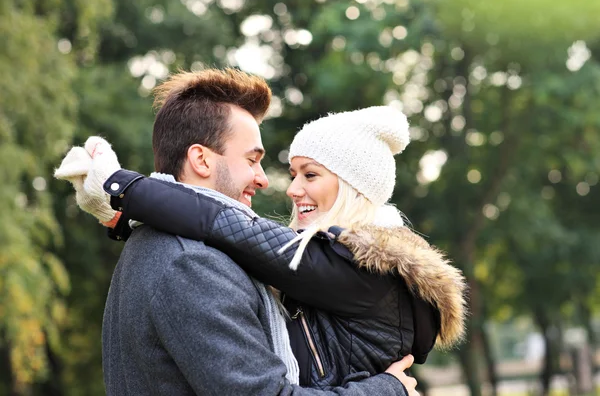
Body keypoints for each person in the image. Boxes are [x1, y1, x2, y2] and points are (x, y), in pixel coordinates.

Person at [55, 69, 419, 396]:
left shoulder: (173, 247)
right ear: (201, 160)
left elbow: (242, 234)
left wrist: (121, 203)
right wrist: (389, 389)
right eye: (252, 160)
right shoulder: (192, 264)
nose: (264, 179)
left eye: (309, 175)